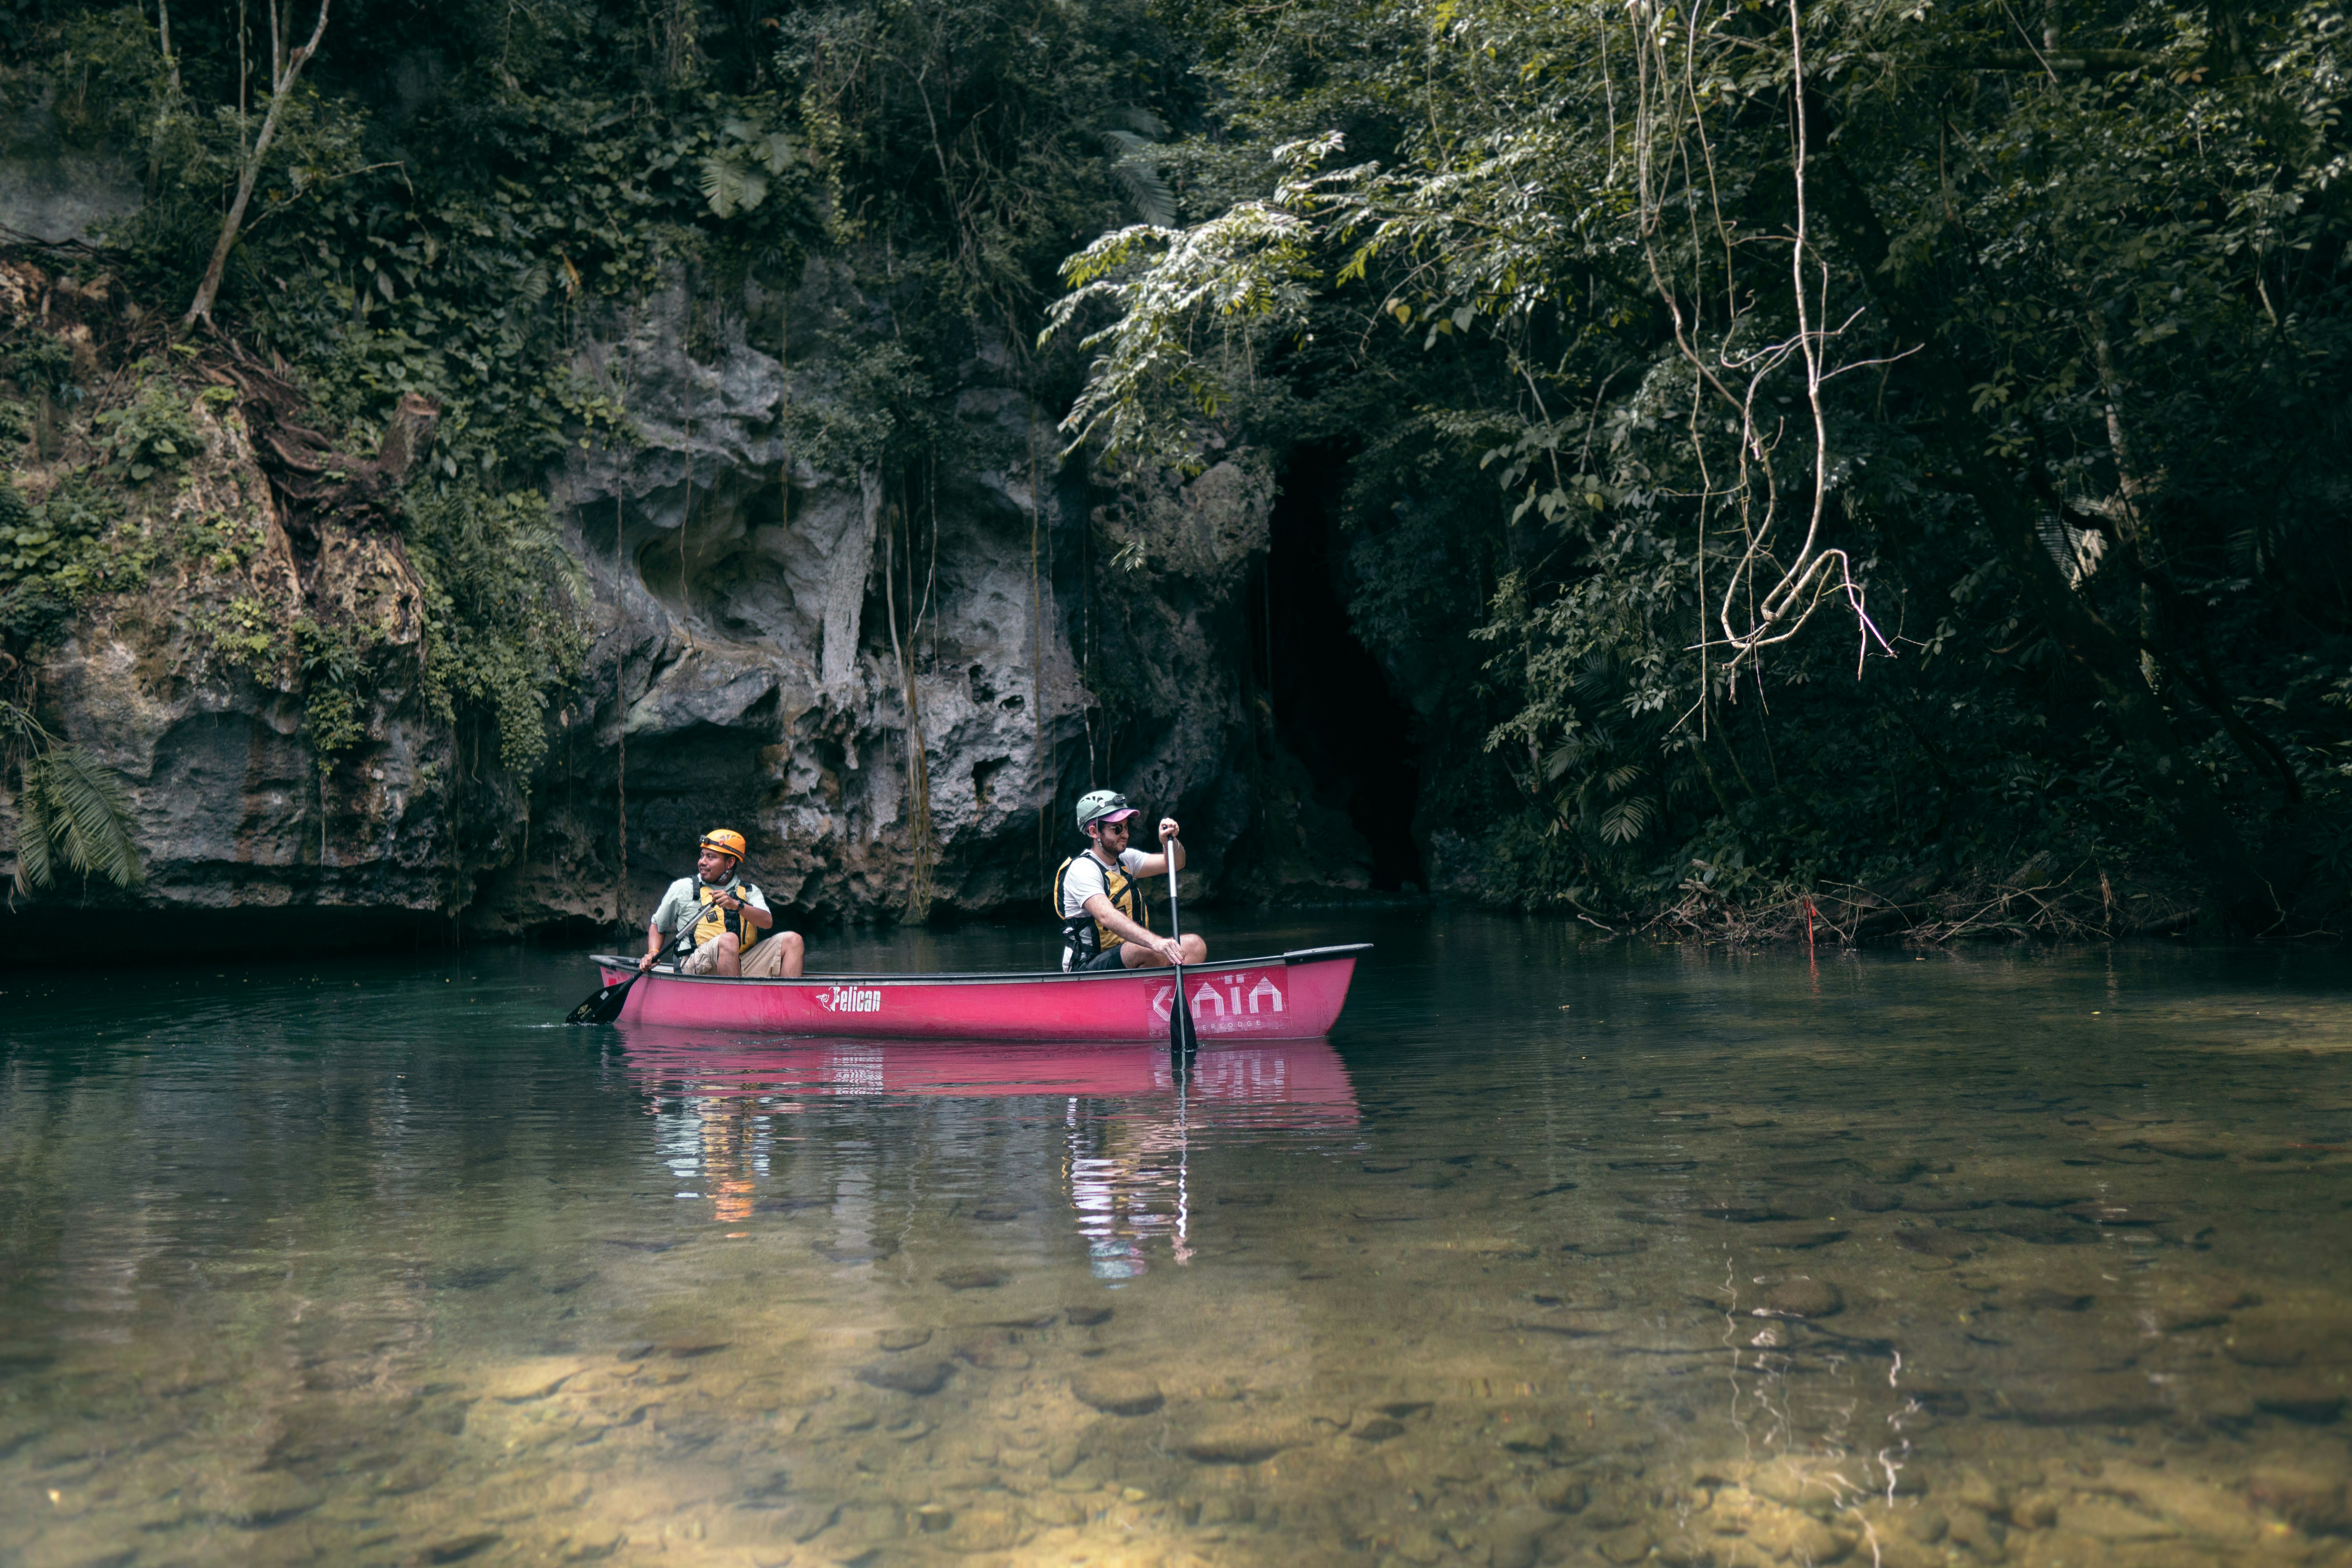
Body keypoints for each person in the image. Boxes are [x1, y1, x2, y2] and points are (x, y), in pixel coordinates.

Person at [1053, 790, 1208, 972]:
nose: (1125, 834)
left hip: (1128, 955)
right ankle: (1152, 993)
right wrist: (1155, 942)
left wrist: (1168, 843)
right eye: (1117, 828)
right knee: (1148, 949)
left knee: (1195, 946)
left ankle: (1170, 995)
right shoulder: (1083, 870)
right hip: (1087, 966)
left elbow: (1176, 863)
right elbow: (1106, 916)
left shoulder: (1126, 860)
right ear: (1094, 832)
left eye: (1127, 827)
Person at [641, 829, 806, 978]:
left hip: (742, 963)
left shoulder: (749, 891)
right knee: (728, 940)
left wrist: (736, 905)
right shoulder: (683, 888)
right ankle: (734, 1004)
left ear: (730, 863)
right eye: (702, 856)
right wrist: (653, 952)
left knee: (794, 940)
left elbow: (767, 922)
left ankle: (787, 1004)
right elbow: (657, 926)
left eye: (711, 857)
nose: (702, 862)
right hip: (694, 966)